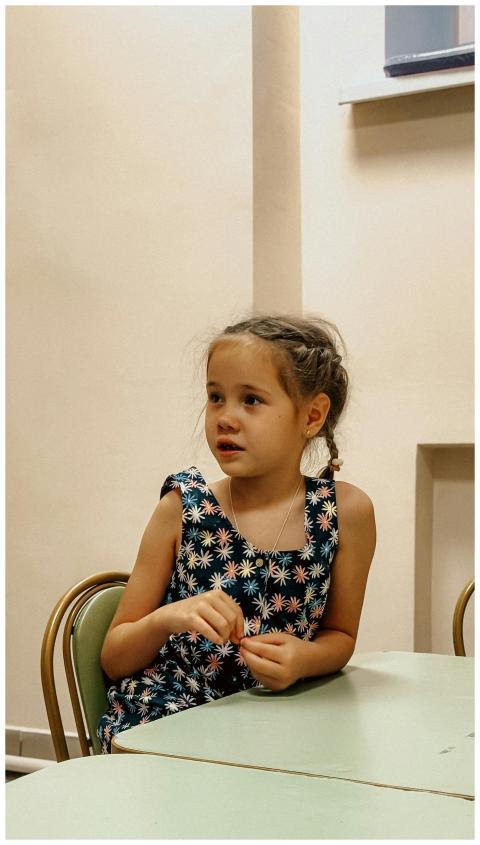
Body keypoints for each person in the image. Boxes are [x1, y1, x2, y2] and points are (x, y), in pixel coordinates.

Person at [98, 314, 376, 753]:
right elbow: (114, 659)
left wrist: (303, 660)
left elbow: (340, 636)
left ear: (312, 416)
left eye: (251, 400)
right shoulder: (181, 509)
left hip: (282, 723)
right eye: (215, 397)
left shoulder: (345, 512)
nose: (225, 418)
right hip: (172, 724)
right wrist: (168, 617)